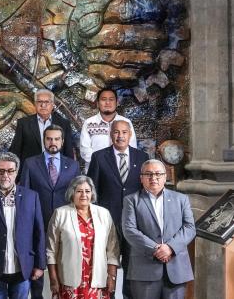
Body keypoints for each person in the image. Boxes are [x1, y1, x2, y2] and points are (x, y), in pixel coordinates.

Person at [0, 152, 45, 299]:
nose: (5, 175)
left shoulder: (31, 196)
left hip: (23, 267)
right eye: (1, 171)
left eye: (10, 171)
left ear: (16, 172)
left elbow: (39, 232)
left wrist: (40, 264)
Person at [86, 119, 148, 293]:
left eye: (124, 132)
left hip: (133, 223)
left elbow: (145, 191)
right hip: (107, 223)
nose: (120, 136)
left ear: (130, 135)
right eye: (116, 132)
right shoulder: (99, 157)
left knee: (131, 268)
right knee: (107, 268)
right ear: (110, 134)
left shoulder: (142, 157)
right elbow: (92, 192)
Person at [18, 125, 80, 298]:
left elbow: (77, 196)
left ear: (62, 141)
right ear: (44, 140)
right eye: (49, 139)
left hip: (65, 224)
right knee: (37, 268)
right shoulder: (30, 163)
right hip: (38, 223)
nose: (53, 142)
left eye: (57, 139)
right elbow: (24, 194)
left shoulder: (73, 165)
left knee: (65, 266)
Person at [122, 160, 195, 299]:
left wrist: (170, 248)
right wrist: (155, 249)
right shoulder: (131, 200)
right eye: (148, 174)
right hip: (144, 270)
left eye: (158, 174)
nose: (153, 178)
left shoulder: (181, 199)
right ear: (141, 178)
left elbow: (189, 228)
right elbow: (129, 230)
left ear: (165, 176)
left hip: (176, 268)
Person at [46, 176, 119, 299]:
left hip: (97, 282)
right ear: (72, 193)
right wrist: (53, 279)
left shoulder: (104, 214)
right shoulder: (60, 214)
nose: (84, 195)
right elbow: (51, 251)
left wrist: (112, 277)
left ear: (92, 193)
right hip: (69, 282)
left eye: (87, 191)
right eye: (79, 191)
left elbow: (113, 250)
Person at [78, 88, 138, 173]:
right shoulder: (89, 123)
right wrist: (101, 164)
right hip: (95, 171)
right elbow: (85, 150)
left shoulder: (126, 122)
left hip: (120, 171)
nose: (107, 103)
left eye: (111, 99)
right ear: (98, 103)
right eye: (104, 99)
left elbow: (132, 148)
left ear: (117, 103)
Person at [9, 89, 75, 161]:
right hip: (30, 167)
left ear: (52, 104)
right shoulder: (24, 123)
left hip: (56, 166)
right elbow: (15, 151)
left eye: (47, 102)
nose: (43, 105)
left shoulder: (64, 124)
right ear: (35, 104)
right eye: (39, 102)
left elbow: (68, 152)